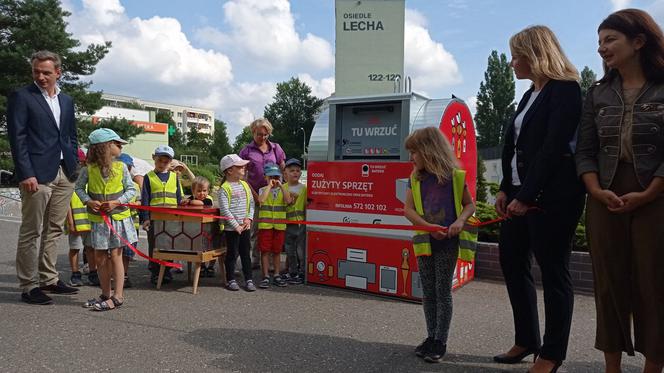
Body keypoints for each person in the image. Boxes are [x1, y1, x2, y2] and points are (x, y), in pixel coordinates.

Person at [575, 9, 664, 373]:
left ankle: (652, 367)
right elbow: (584, 150)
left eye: (610, 39)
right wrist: (595, 191)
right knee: (608, 284)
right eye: (599, 41)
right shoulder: (596, 94)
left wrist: (650, 192)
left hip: (656, 198)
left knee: (654, 283)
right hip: (603, 196)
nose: (602, 48)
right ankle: (611, 368)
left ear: (639, 42)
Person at [493, 26, 585, 373]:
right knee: (511, 262)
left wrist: (527, 195)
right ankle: (526, 339)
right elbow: (513, 147)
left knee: (554, 271)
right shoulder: (529, 93)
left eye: (517, 55)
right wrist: (505, 188)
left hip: (553, 197)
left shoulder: (566, 90)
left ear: (537, 53)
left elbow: (552, 149)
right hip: (518, 192)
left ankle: (551, 353)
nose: (512, 62)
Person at [7, 50, 80, 304]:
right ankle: (28, 285)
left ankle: (49, 278)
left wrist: (74, 165)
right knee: (31, 230)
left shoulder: (67, 100)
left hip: (64, 172)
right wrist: (26, 173)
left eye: (46, 72)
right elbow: (17, 138)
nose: (41, 76)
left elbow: (70, 135)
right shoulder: (22, 97)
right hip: (36, 175)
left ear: (58, 73)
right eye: (36, 71)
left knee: (54, 229)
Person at [403, 127, 476, 363]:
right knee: (428, 290)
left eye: (414, 152)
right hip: (425, 241)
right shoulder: (415, 178)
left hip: (447, 243)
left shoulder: (455, 176)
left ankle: (440, 340)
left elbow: (469, 205)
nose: (411, 157)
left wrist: (459, 221)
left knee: (442, 290)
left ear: (428, 150)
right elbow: (408, 209)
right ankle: (430, 335)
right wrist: (427, 226)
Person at [75, 128, 136, 311]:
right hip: (99, 221)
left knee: (116, 255)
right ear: (106, 147)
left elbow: (131, 190)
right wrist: (88, 201)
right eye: (117, 144)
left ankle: (118, 296)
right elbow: (78, 188)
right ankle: (105, 293)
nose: (120, 147)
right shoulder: (89, 169)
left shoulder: (121, 167)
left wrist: (117, 202)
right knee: (100, 257)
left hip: (118, 219)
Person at [239, 118, 286, 268]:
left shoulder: (276, 148)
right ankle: (255, 259)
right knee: (256, 229)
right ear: (253, 132)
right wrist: (254, 195)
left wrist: (284, 188)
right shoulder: (246, 151)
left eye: (266, 134)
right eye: (260, 134)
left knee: (273, 228)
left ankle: (272, 261)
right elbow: (242, 175)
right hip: (254, 193)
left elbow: (283, 168)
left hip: (274, 195)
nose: (263, 137)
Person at [140, 145, 183, 285]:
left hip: (171, 219)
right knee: (154, 245)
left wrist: (180, 215)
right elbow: (145, 199)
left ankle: (167, 271)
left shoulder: (174, 177)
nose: (162, 164)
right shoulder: (149, 177)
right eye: (160, 160)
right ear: (154, 159)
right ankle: (155, 271)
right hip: (154, 219)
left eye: (166, 162)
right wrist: (145, 218)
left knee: (169, 244)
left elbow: (178, 197)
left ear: (170, 162)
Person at [218, 154, 256, 292]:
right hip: (231, 229)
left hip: (245, 226)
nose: (244, 168)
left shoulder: (245, 185)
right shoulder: (224, 188)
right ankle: (231, 279)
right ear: (229, 170)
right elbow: (224, 210)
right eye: (240, 166)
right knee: (232, 254)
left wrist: (249, 218)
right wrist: (236, 226)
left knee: (246, 253)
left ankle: (249, 279)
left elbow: (251, 203)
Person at [257, 163, 293, 289]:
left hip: (279, 227)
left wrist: (281, 186)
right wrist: (269, 186)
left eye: (276, 177)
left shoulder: (284, 189)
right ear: (265, 177)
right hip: (265, 226)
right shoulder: (262, 190)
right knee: (265, 251)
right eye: (271, 177)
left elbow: (288, 201)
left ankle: (277, 274)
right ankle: (266, 275)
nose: (274, 180)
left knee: (277, 251)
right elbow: (261, 200)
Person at [66, 149, 97, 287]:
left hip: (90, 220)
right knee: (75, 248)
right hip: (76, 221)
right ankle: (75, 273)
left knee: (91, 248)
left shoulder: (90, 175)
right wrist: (70, 222)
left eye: (81, 161)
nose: (79, 163)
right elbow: (66, 202)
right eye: (76, 161)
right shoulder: (69, 178)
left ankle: (92, 272)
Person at [181, 176, 215, 277]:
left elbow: (199, 203)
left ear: (208, 191)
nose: (202, 193)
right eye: (199, 191)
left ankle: (211, 266)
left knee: (211, 248)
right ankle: (202, 266)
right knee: (199, 249)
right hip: (195, 229)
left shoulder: (208, 200)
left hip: (209, 228)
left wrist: (189, 202)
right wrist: (184, 202)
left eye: (204, 190)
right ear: (193, 191)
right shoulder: (191, 199)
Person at [283, 158, 306, 284]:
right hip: (287, 224)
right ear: (285, 173)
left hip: (301, 225)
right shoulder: (283, 188)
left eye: (297, 170)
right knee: (289, 250)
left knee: (301, 250)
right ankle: (292, 271)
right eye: (292, 171)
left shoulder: (304, 189)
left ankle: (302, 272)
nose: (295, 173)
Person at [117, 153, 138, 289]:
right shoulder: (115, 185)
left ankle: (124, 275)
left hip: (132, 225)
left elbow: (140, 200)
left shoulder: (135, 186)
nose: (127, 170)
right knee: (115, 252)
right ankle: (116, 276)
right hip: (117, 223)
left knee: (127, 253)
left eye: (129, 168)